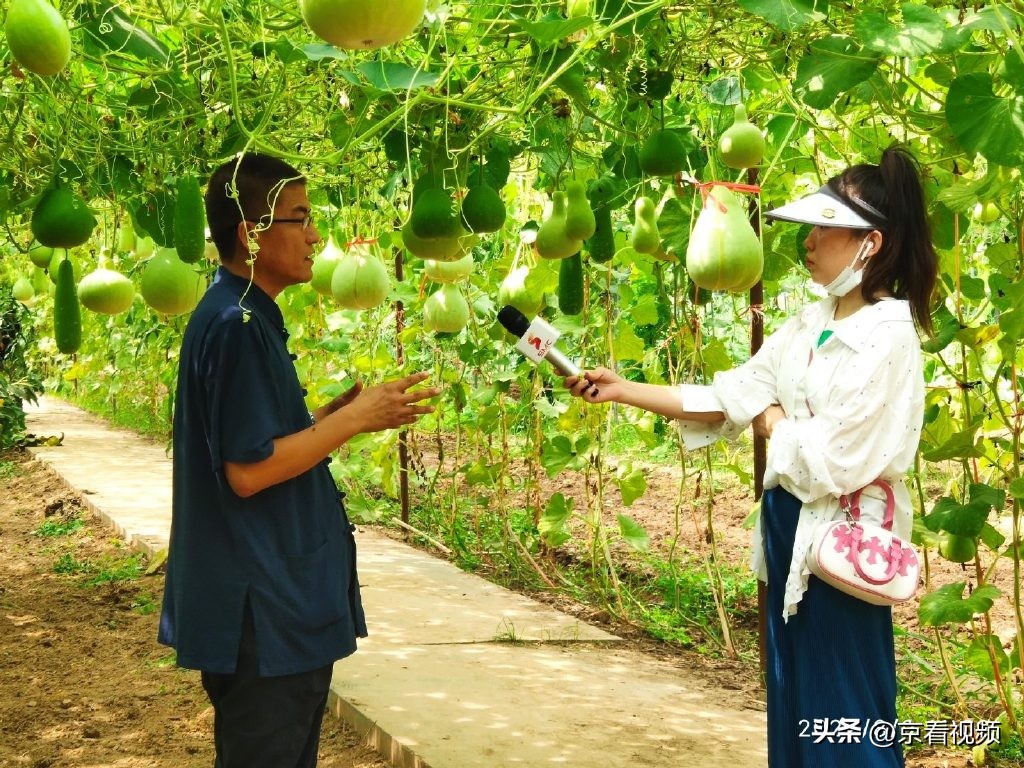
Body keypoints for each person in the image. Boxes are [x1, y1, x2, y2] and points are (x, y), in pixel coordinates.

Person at [565, 146, 937, 767]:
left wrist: (773, 419)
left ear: (870, 243)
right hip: (791, 531)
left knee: (844, 713)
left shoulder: (888, 335)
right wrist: (622, 389)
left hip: (844, 544)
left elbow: (831, 462)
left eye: (826, 228)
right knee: (795, 704)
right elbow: (731, 396)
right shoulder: (809, 323)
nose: (809, 241)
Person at [158, 152, 440, 768]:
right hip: (264, 612)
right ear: (251, 234)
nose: (316, 236)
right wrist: (353, 421)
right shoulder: (236, 323)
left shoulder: (242, 312)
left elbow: (244, 444)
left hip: (271, 609)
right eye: (299, 218)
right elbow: (248, 472)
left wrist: (318, 423)